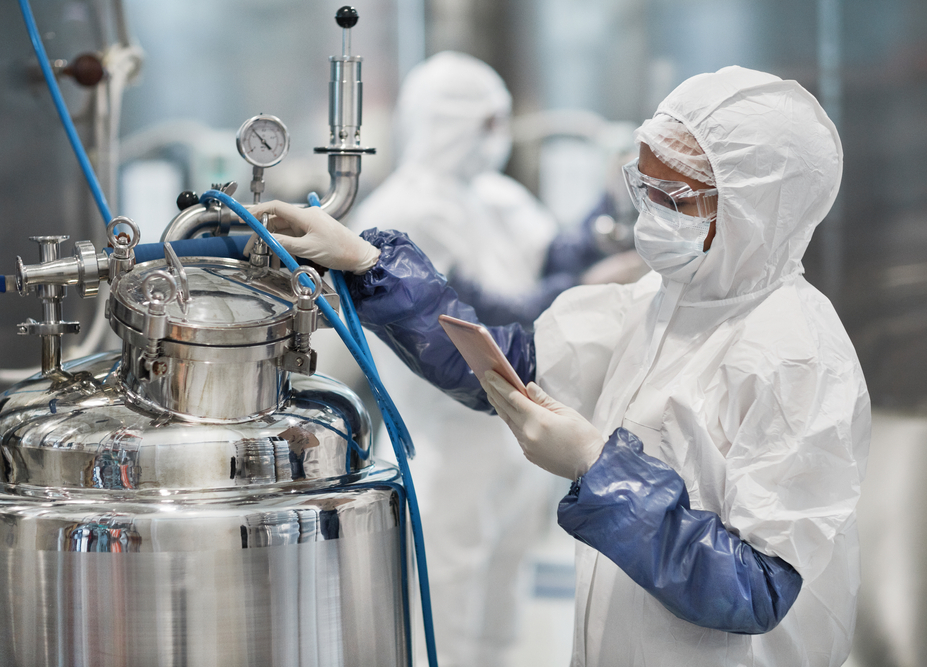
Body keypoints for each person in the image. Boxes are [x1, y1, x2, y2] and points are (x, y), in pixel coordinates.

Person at [251, 65, 870, 666]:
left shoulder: (797, 358)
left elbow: (756, 587)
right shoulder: (658, 306)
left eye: (672, 198)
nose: (649, 215)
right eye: (642, 189)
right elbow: (509, 366)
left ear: (755, 210)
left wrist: (600, 471)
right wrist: (368, 264)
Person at [347, 51, 608, 667]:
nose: (498, 139)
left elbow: (554, 260)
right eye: (487, 123)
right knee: (443, 616)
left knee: (500, 614)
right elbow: (470, 321)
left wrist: (607, 222)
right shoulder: (404, 211)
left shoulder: (494, 195)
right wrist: (589, 286)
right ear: (450, 122)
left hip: (511, 444)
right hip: (442, 446)